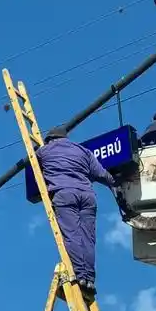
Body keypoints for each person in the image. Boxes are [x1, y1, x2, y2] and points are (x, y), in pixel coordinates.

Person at [36, 126, 118, 297]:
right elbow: (102, 174)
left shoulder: (44, 151)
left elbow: (34, 163)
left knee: (72, 235)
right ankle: (89, 279)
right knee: (88, 239)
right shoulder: (84, 151)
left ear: (50, 139)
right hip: (87, 196)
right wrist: (117, 186)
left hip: (64, 194)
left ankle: (80, 276)